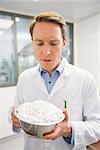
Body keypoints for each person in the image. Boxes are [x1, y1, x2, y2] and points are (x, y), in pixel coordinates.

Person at [11, 11, 100, 150]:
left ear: (64, 43)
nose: (46, 52)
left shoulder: (85, 79)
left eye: (53, 43)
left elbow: (97, 125)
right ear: (32, 42)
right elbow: (17, 113)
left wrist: (69, 129)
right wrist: (15, 119)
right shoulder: (25, 78)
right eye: (39, 43)